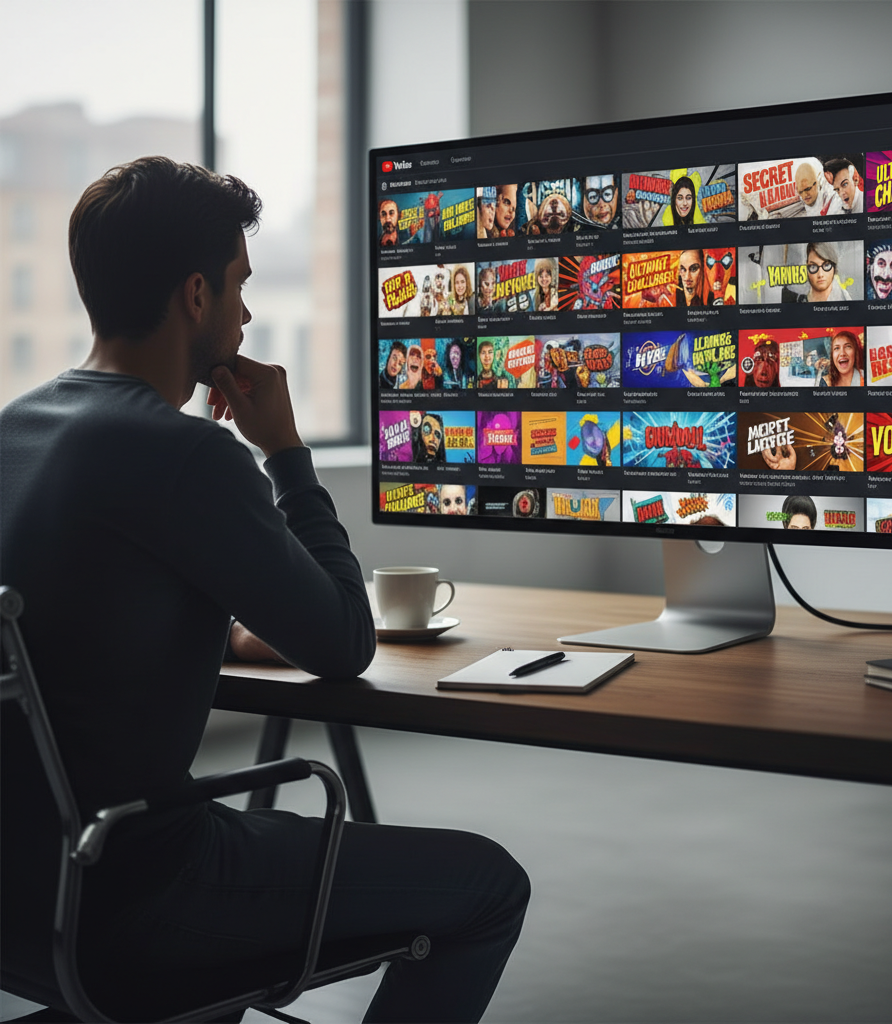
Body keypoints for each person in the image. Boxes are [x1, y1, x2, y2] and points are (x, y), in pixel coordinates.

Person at [0, 157, 529, 1022]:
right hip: (138, 890)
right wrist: (284, 452)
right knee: (486, 885)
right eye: (240, 286)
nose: (247, 313)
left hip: (22, 895)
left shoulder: (13, 430)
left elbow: (87, 621)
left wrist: (227, 628)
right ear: (196, 295)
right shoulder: (186, 453)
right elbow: (342, 644)